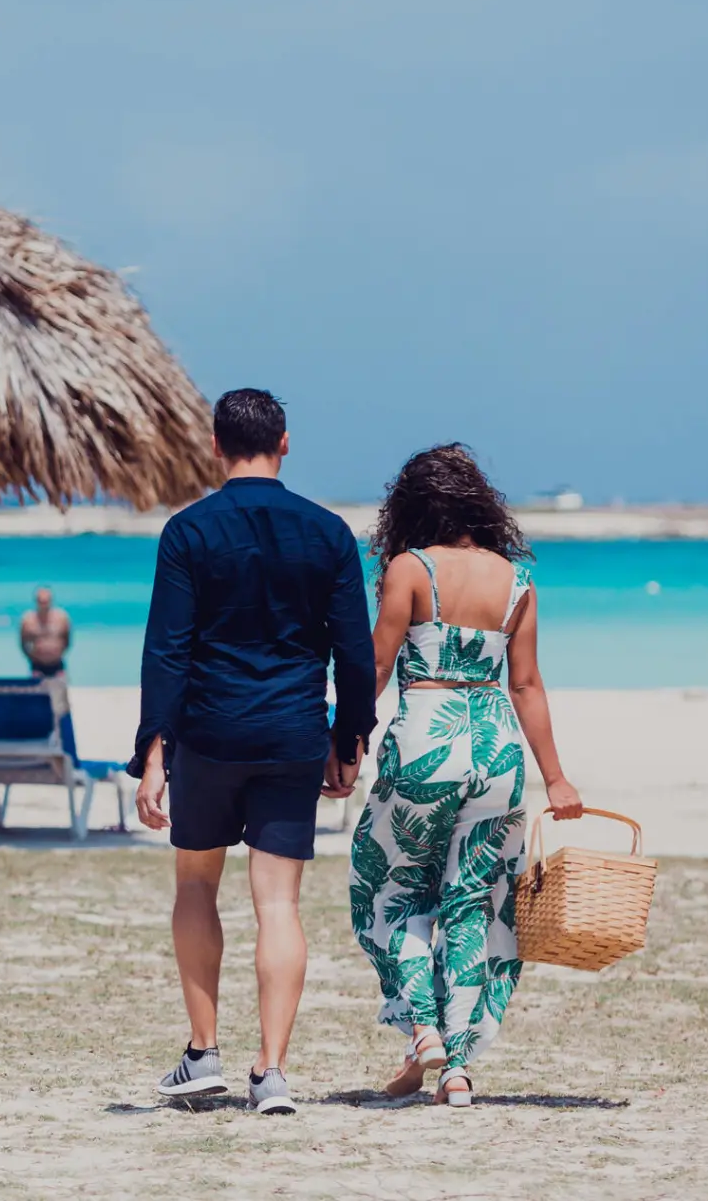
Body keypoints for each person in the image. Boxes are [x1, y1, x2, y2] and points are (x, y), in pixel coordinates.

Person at [131, 388, 375, 1115]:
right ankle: (270, 1072)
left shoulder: (188, 530)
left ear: (214, 446)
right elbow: (353, 654)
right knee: (278, 904)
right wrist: (348, 738)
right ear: (286, 443)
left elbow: (166, 652)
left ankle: (203, 1052)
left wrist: (152, 751)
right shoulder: (327, 532)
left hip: (208, 734)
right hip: (293, 733)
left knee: (197, 886)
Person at [349, 443, 582, 1108]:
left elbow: (378, 666)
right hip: (499, 749)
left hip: (428, 739)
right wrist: (558, 780)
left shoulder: (410, 569)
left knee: (388, 889)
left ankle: (424, 1028)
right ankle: (457, 1068)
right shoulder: (517, 581)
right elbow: (528, 685)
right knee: (472, 902)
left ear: (415, 508)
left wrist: (344, 742)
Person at [18, 586, 71, 677]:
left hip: (57, 664)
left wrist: (56, 653)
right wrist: (33, 656)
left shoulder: (62, 618)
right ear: (36, 602)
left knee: (60, 689)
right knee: (37, 690)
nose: (44, 605)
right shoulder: (28, 620)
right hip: (37, 665)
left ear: (51, 601)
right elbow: (22, 644)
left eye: (46, 602)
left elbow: (67, 640)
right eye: (41, 602)